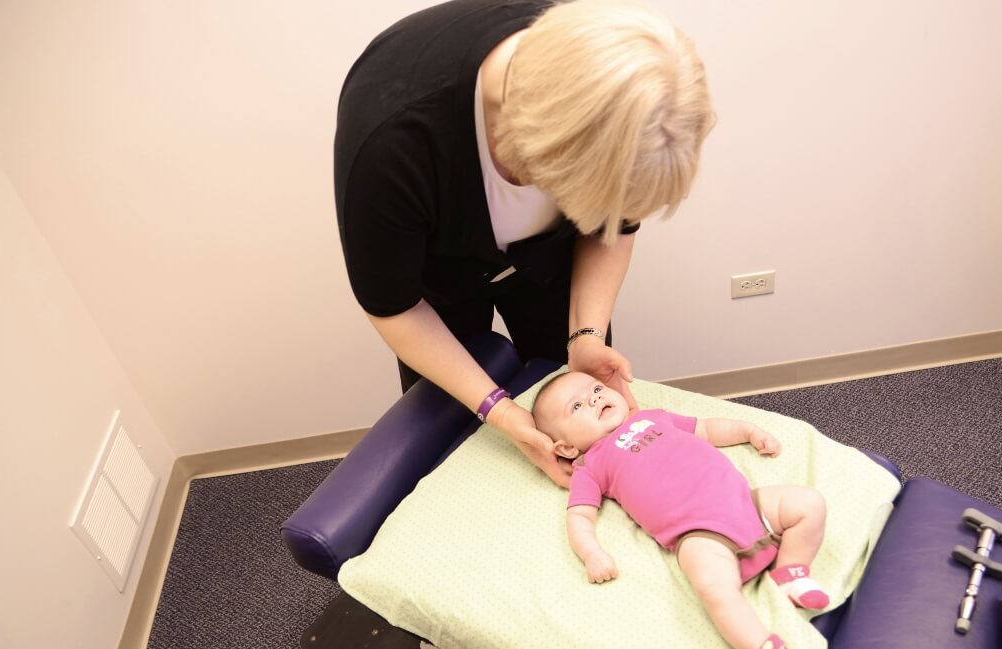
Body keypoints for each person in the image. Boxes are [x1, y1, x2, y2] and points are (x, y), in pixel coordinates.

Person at [334, 0, 714, 486]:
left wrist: (587, 335)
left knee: (584, 436)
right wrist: (496, 409)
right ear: (546, 153)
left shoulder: (616, 88)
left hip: (554, 265)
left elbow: (613, 229)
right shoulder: (391, 142)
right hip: (436, 292)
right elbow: (394, 305)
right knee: (457, 450)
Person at [532, 371, 830, 649]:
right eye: (577, 406)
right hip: (699, 535)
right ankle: (758, 642)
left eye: (597, 389)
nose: (594, 398)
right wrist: (591, 553)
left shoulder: (653, 417)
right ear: (567, 449)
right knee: (715, 590)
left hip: (748, 504)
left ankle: (789, 572)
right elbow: (579, 515)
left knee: (808, 504)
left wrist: (748, 431)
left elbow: (707, 428)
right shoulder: (590, 465)